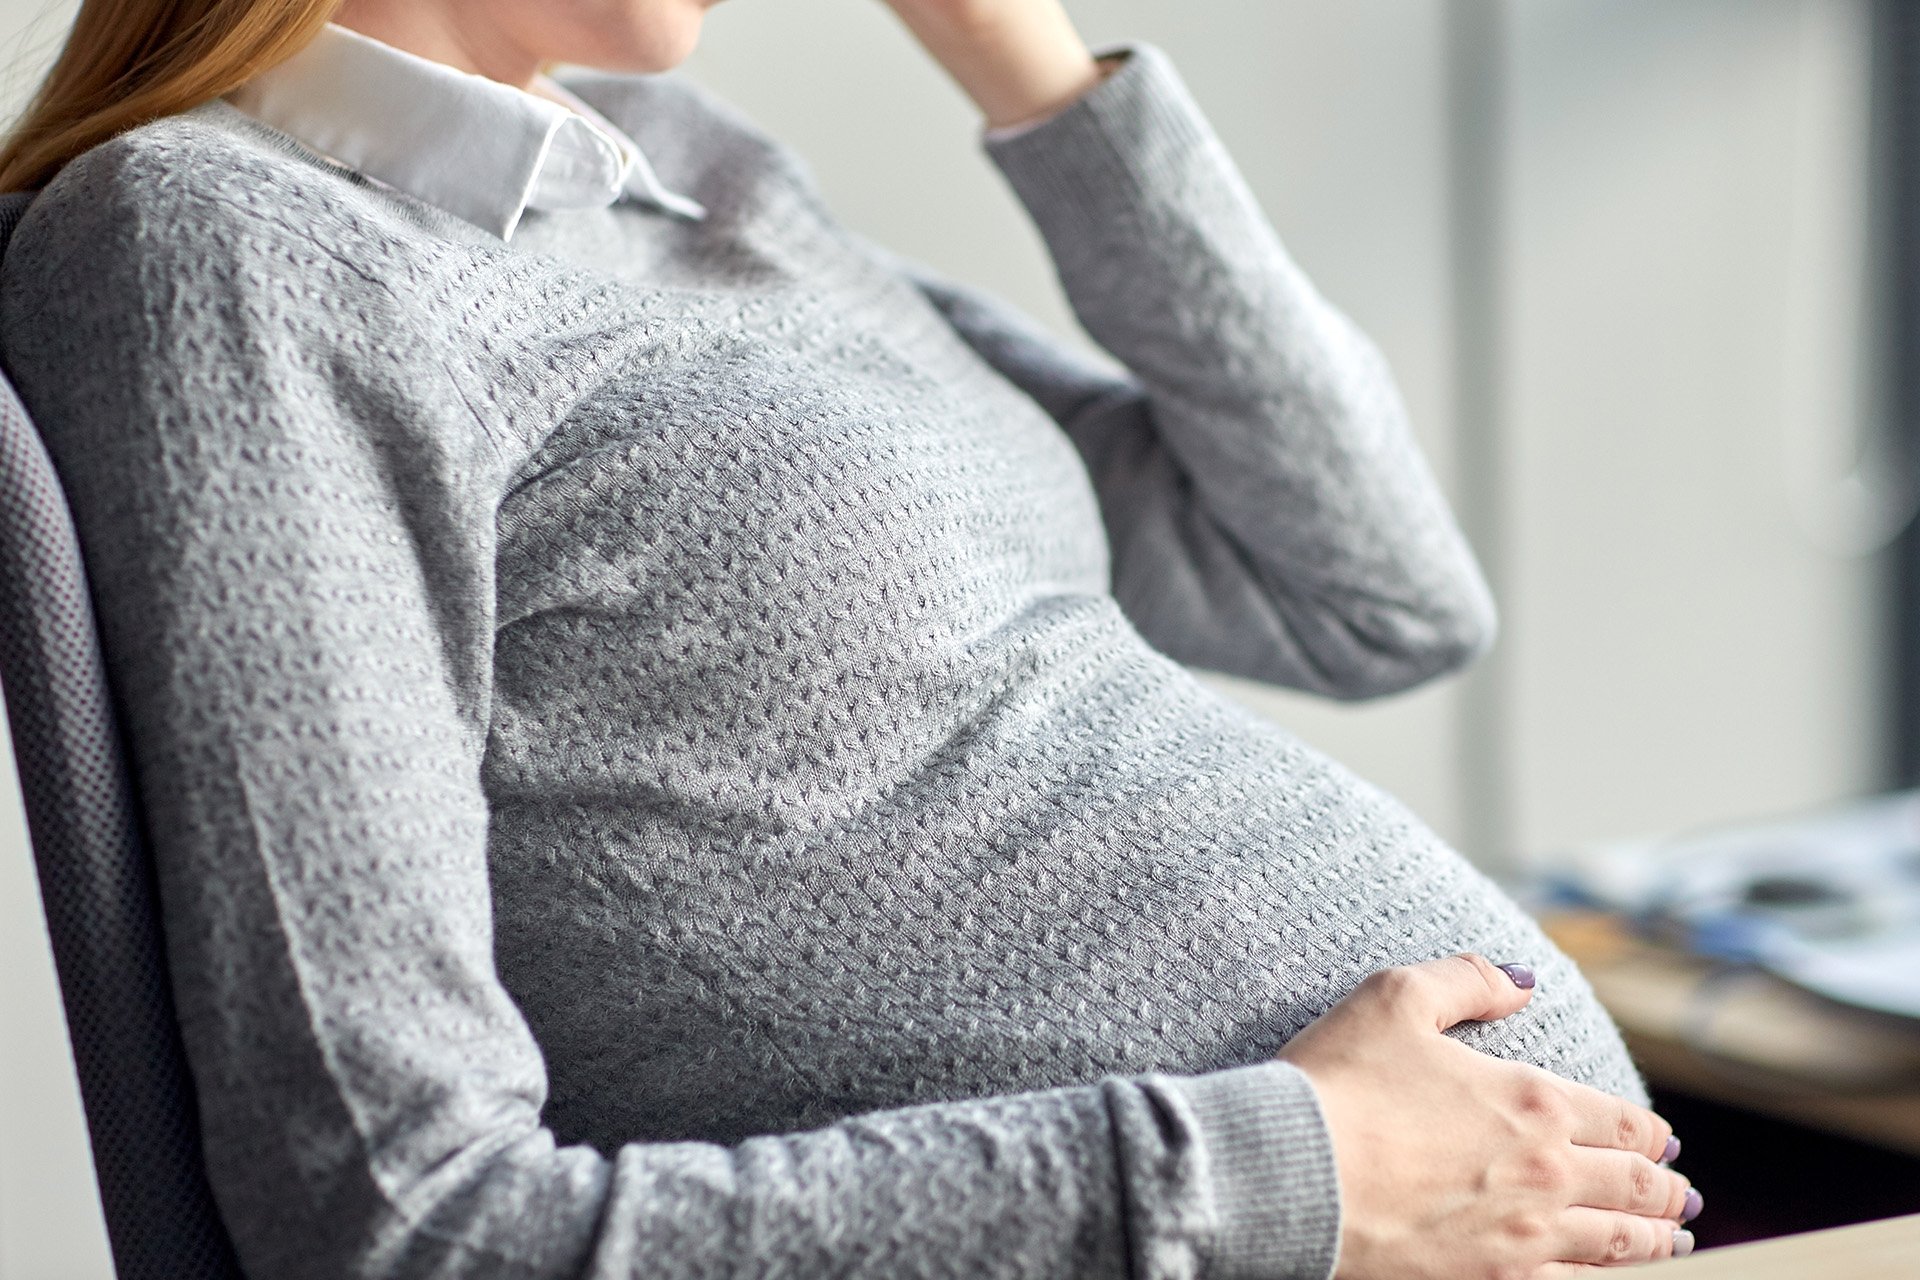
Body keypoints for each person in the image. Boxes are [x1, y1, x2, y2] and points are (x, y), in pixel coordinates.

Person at [0, 0, 1704, 1276]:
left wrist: (1019, 53)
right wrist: (1280, 1171)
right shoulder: (223, 246)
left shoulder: (675, 169)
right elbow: (397, 1216)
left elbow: (1371, 587)